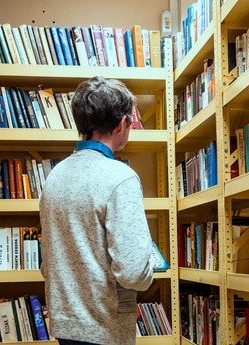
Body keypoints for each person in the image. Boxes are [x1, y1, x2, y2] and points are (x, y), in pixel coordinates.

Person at [40, 76, 154, 345]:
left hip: (65, 326)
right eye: (131, 121)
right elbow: (133, 273)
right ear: (120, 124)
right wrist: (149, 265)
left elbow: (48, 264)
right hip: (106, 328)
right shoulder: (121, 177)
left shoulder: (54, 177)